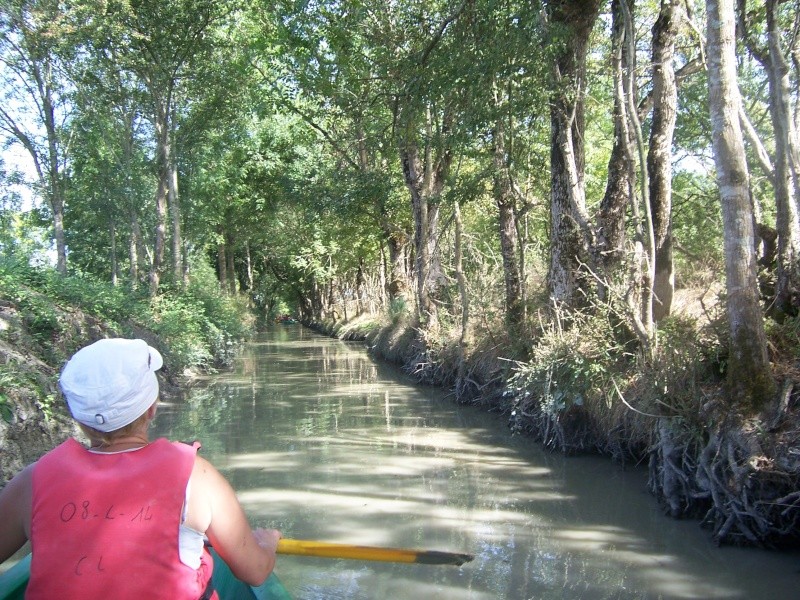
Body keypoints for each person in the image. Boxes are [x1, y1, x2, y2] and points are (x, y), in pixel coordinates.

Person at [0, 338, 281, 599]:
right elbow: (254, 571)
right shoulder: (197, 476)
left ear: (79, 419)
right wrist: (267, 544)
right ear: (151, 409)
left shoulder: (33, 480)